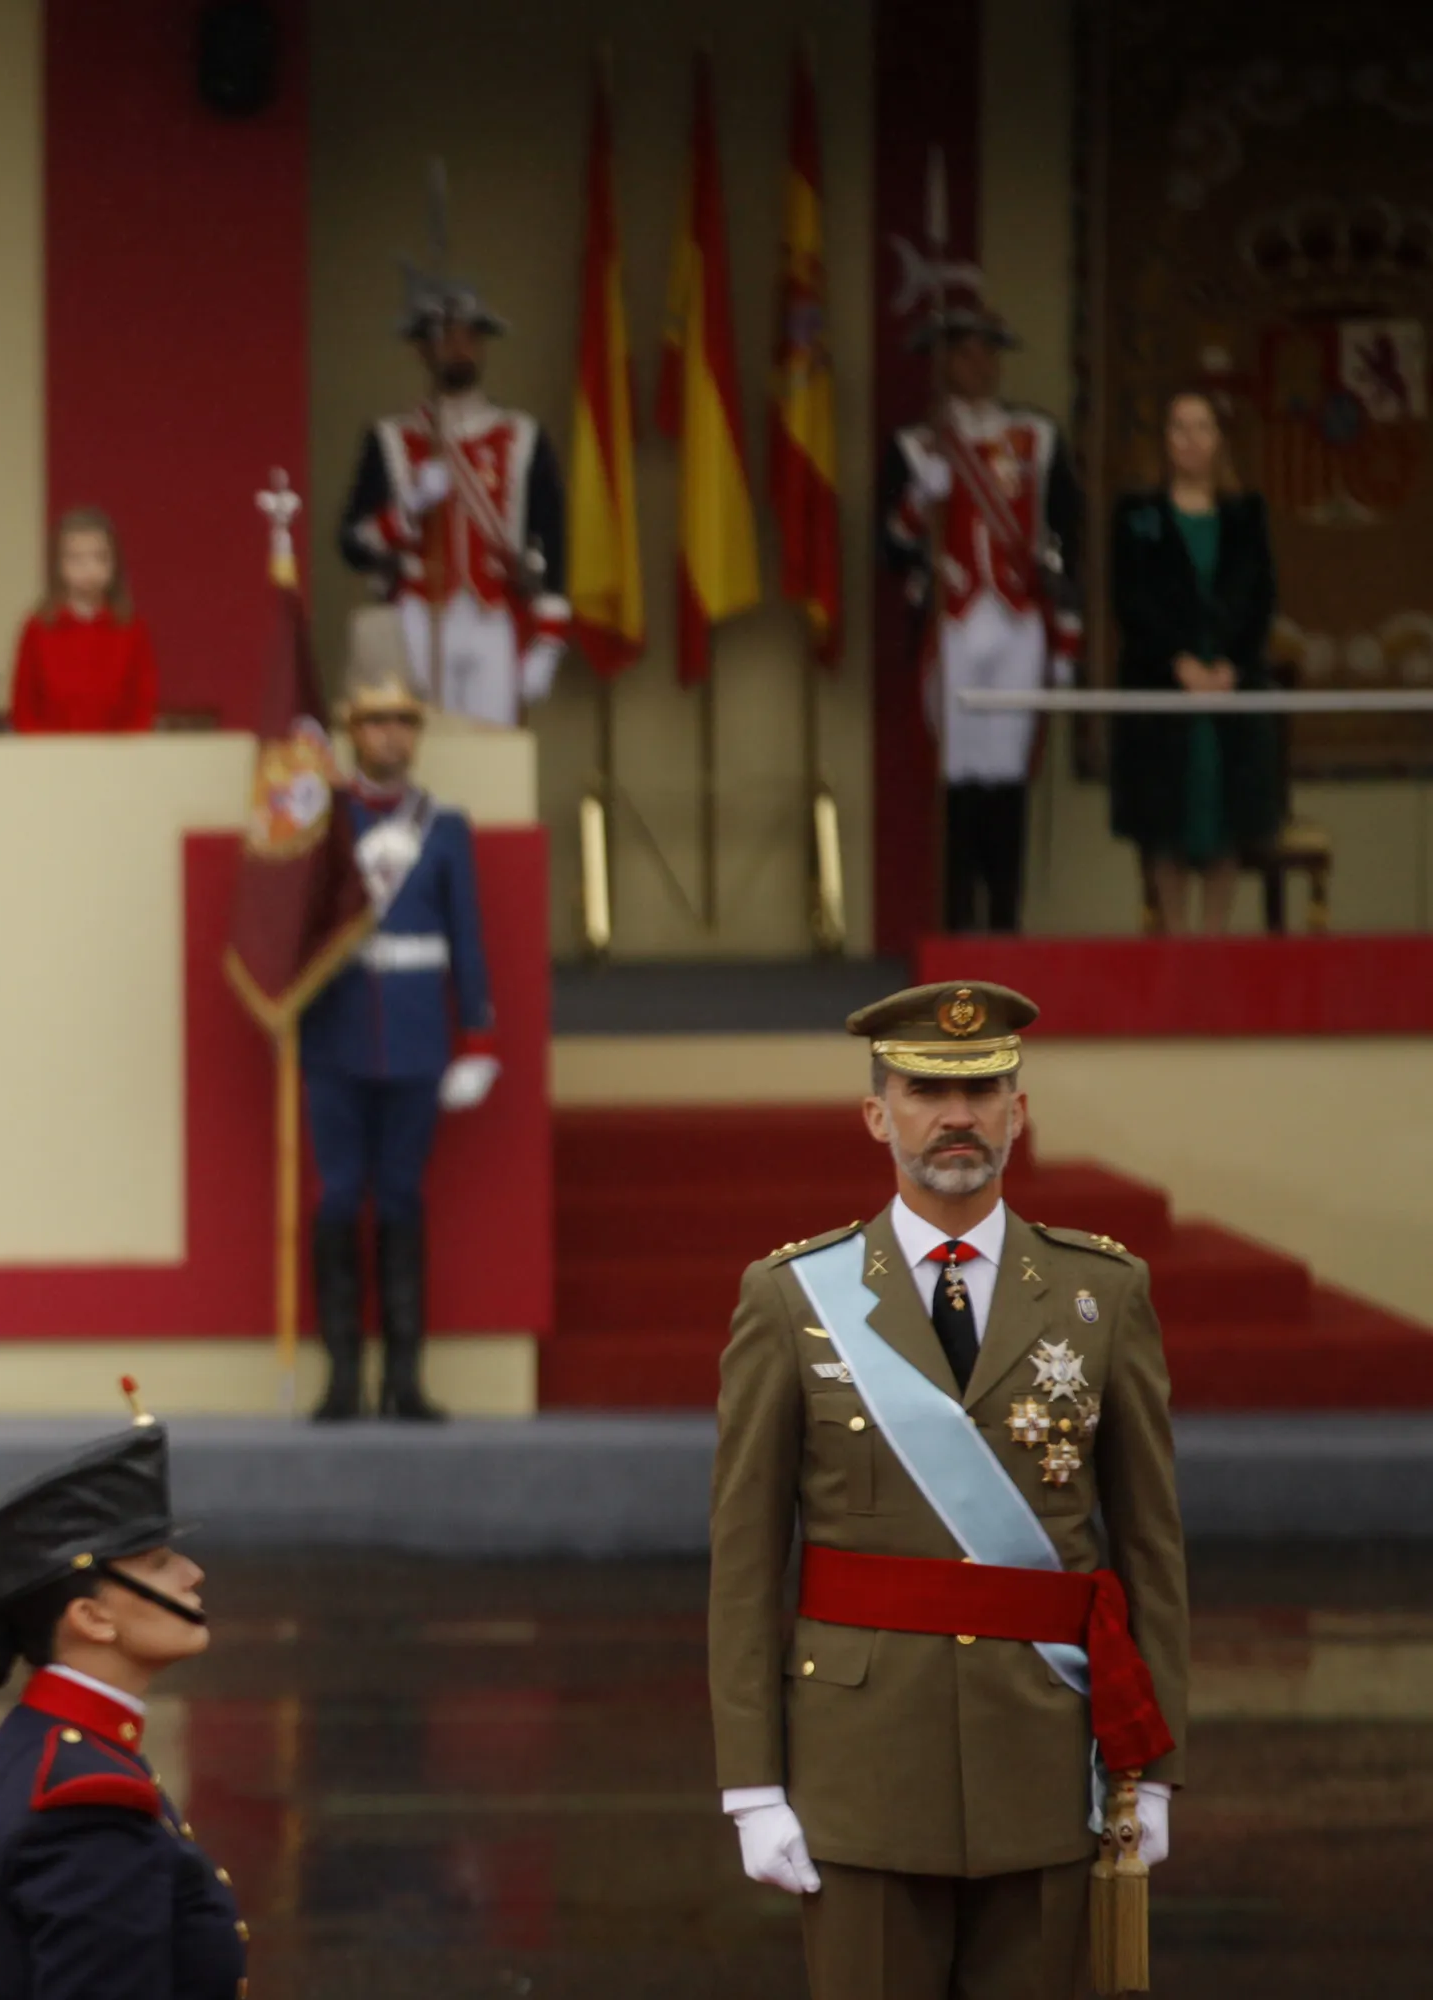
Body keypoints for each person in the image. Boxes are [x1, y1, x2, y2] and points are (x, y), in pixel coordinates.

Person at [709, 981, 1187, 2000]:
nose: (957, 1115)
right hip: (862, 1769)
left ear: (1019, 1110)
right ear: (877, 1114)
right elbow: (746, 1559)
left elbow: (1151, 1546)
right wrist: (752, 1783)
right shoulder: (793, 1300)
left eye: (983, 1090)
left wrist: (1155, 1767)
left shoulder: (1103, 1293)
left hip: (1046, 1759)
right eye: (927, 1089)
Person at [0, 1393, 247, 2000]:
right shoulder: (87, 1803)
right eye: (159, 1563)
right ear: (92, 1618)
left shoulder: (40, 1745)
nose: (192, 1574)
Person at [294, 677, 497, 1423]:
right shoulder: (322, 822)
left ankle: (404, 1379)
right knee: (339, 1195)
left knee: (403, 1196)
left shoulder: (444, 828)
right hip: (336, 1032)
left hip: (416, 1036)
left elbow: (466, 935)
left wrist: (477, 1035)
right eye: (377, 721)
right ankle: (343, 1377)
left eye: (404, 722)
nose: (391, 735)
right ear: (354, 731)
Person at [337, 166, 569, 726]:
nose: (458, 348)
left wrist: (549, 641)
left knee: (493, 753)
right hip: (417, 616)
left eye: (469, 335)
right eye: (444, 337)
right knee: (425, 746)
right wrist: (409, 508)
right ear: (422, 349)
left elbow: (554, 547)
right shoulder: (391, 440)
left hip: (493, 618)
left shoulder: (522, 439)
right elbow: (354, 544)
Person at [882, 300, 1085, 934]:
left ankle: (1004, 922)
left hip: (1019, 619)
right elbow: (893, 546)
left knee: (1008, 769)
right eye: (967, 352)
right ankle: (956, 923)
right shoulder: (916, 445)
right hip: (954, 619)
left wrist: (1067, 635)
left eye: (989, 351)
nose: (981, 364)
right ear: (942, 362)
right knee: (958, 770)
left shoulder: (1036, 438)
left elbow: (1067, 534)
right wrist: (922, 494)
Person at [1108, 390, 1280, 933]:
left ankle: (1214, 941)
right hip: (1164, 686)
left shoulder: (1246, 514)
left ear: (1218, 439)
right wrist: (1177, 663)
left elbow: (1261, 598)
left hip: (1230, 686)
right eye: (1179, 427)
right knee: (1167, 821)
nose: (1190, 439)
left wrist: (1230, 665)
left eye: (1201, 427)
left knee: (1227, 817)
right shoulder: (1137, 514)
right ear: (1165, 439)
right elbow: (1130, 599)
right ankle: (1176, 941)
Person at [7, 508, 159, 734]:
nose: (90, 569)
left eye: (100, 557)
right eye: (76, 559)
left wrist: (129, 745)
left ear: (115, 563)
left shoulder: (131, 627)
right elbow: (24, 703)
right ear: (57, 565)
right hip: (50, 750)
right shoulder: (38, 627)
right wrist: (40, 748)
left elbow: (143, 701)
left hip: (119, 750)